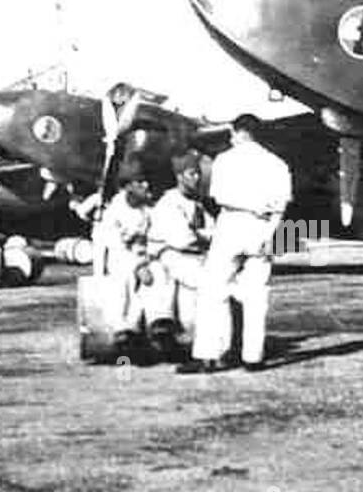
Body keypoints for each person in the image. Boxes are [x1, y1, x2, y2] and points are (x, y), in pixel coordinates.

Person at [179, 116, 291, 373]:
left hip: (232, 222)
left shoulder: (225, 159)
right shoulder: (277, 163)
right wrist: (271, 231)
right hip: (264, 225)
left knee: (212, 289)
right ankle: (253, 357)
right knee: (257, 293)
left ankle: (209, 354)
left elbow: (217, 196)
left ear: (237, 132)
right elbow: (282, 205)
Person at [143, 149, 213, 354]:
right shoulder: (169, 203)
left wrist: (200, 235)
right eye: (192, 173)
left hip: (189, 257)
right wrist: (202, 236)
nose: (197, 178)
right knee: (208, 283)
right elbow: (184, 239)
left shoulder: (197, 203)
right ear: (179, 176)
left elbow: (216, 232)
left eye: (198, 173)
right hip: (170, 256)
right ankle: (161, 323)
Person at [99, 158, 155, 348]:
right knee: (123, 280)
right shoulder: (113, 212)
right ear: (127, 186)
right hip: (121, 258)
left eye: (146, 181)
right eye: (139, 182)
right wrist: (138, 266)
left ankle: (140, 326)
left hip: (145, 255)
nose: (145, 185)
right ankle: (122, 329)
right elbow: (115, 246)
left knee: (154, 278)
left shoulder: (148, 210)